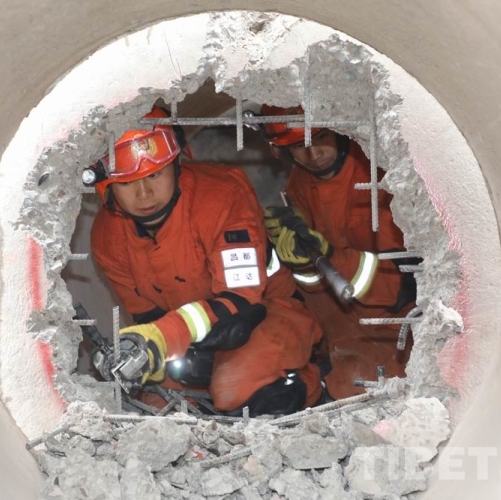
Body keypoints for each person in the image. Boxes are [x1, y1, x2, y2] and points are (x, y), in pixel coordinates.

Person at [86, 106, 324, 416]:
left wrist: (166, 338)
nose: (144, 194)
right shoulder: (108, 235)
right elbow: (146, 314)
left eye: (154, 175)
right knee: (158, 407)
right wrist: (158, 353)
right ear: (106, 186)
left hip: (266, 314)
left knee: (234, 388)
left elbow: (241, 304)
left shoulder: (221, 195)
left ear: (177, 164)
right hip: (187, 335)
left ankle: (312, 381)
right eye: (127, 183)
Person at [259, 105, 418, 399]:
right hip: (340, 325)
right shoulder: (299, 183)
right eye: (298, 145)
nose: (313, 154)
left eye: (320, 137)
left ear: (340, 131)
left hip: (395, 323)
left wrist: (330, 256)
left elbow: (406, 285)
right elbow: (316, 293)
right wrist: (301, 264)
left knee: (365, 390)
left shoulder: (380, 172)